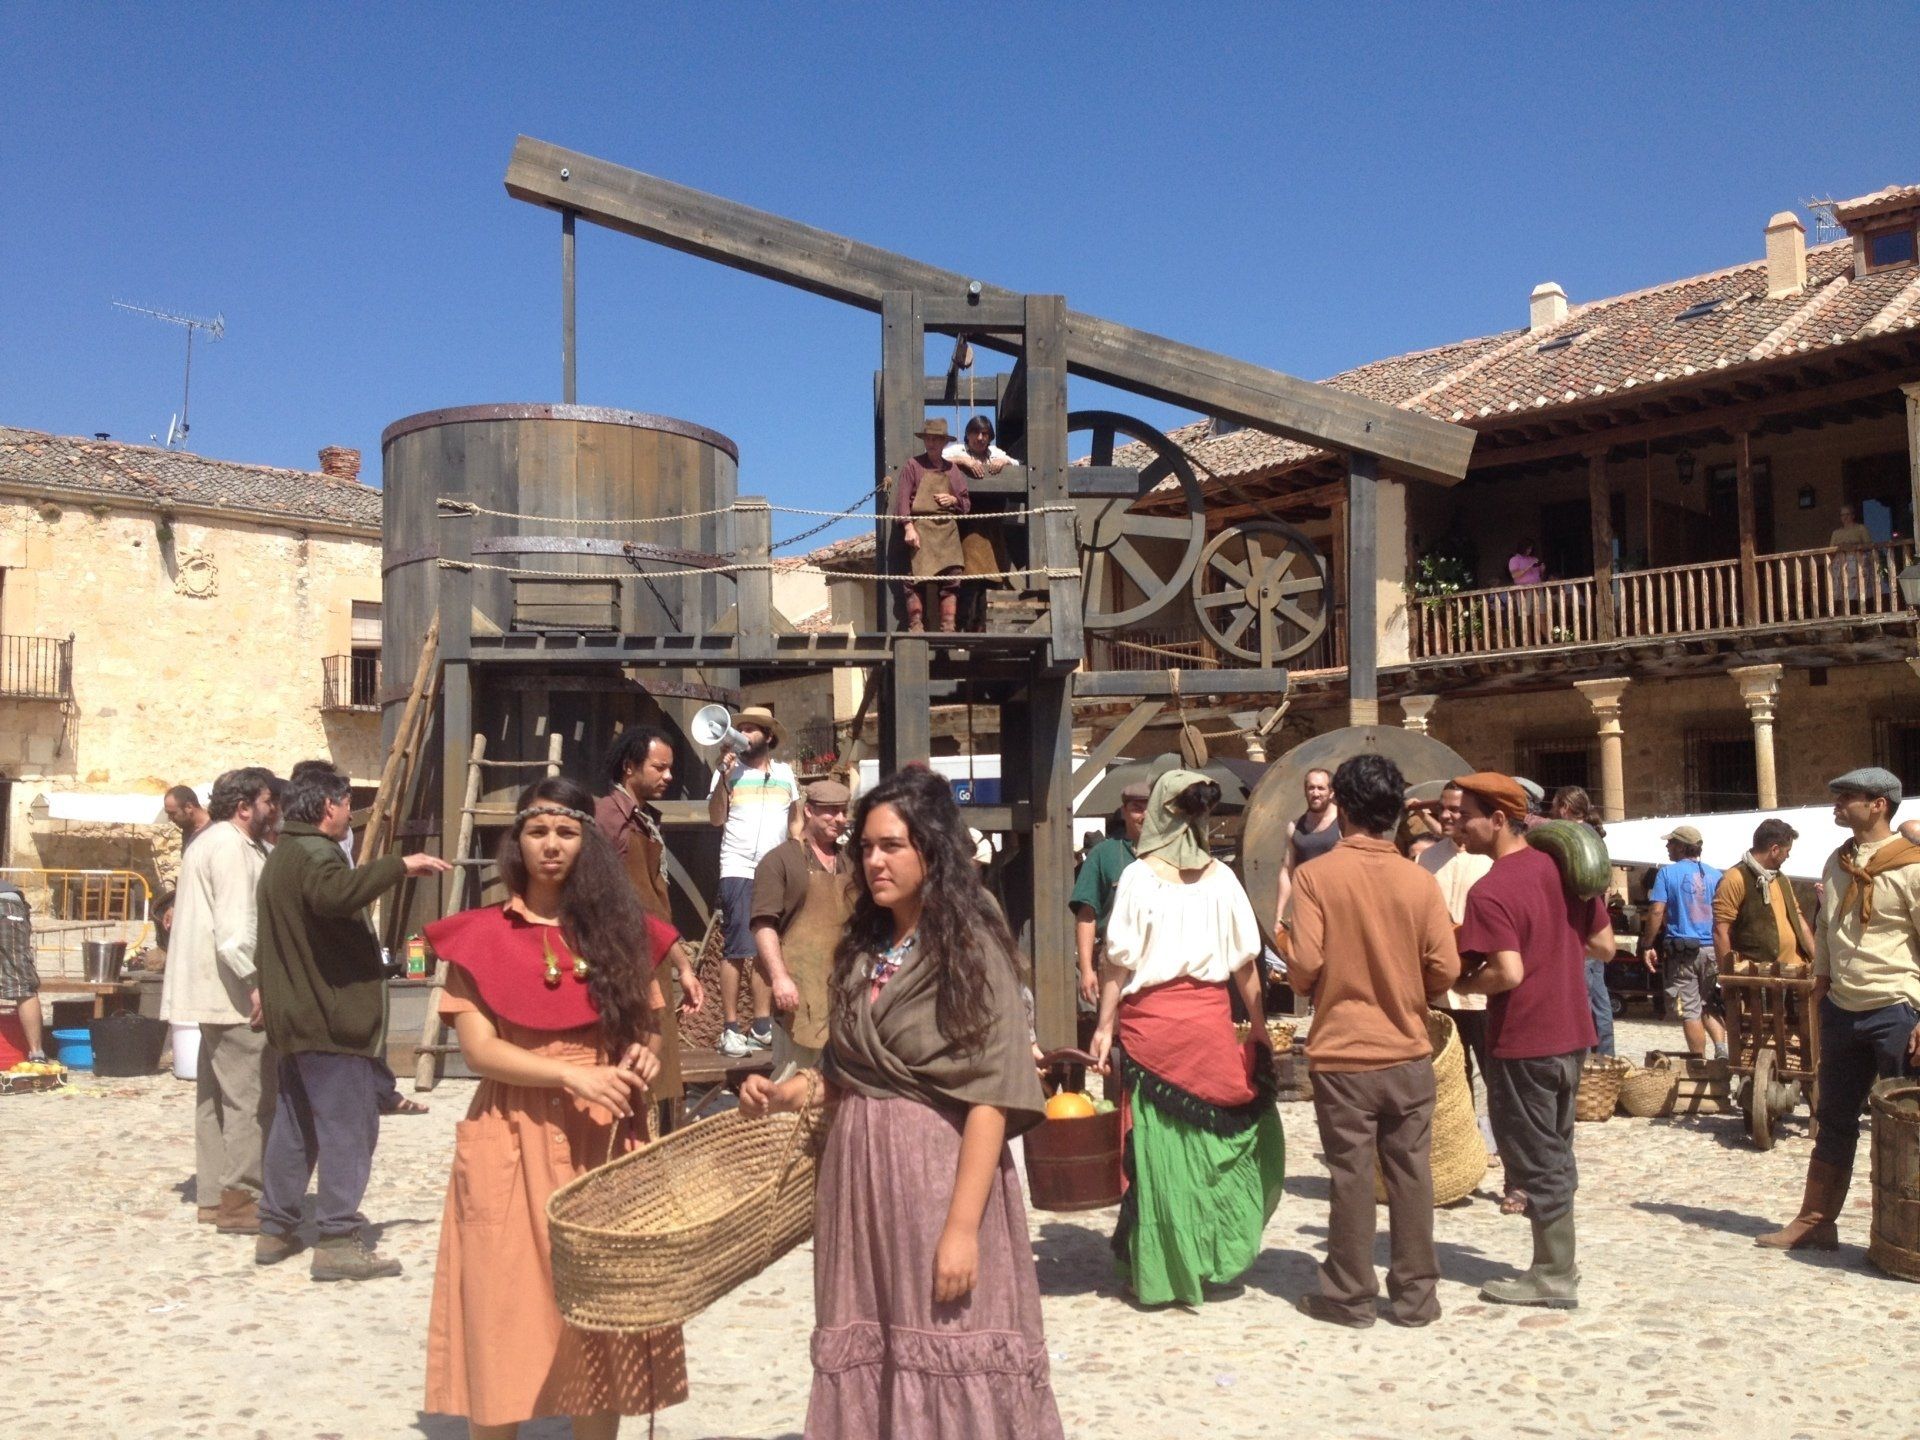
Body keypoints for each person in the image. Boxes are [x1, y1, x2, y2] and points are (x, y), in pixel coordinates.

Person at [737, 766, 1063, 1438]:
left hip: (938, 1178)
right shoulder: (867, 944)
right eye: (866, 846)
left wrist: (962, 1230)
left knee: (947, 1342)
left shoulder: (971, 941)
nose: (874, 860)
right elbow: (848, 1068)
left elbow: (992, 1094)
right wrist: (781, 1093)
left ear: (932, 850)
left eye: (893, 846)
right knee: (875, 1349)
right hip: (860, 1188)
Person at [423, 777, 686, 1434]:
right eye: (537, 832)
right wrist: (570, 1079)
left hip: (604, 1139)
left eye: (566, 832)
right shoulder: (479, 936)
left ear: (586, 843)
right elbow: (479, 1052)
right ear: (518, 842)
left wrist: (644, 1054)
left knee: (601, 1316)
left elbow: (648, 1026)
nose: (551, 845)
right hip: (510, 1130)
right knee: (502, 1308)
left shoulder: (622, 933)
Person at [1089, 769, 1285, 1306]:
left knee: (1157, 1154)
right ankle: (1209, 1258)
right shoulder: (1223, 879)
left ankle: (1163, 1267)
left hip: (1152, 1025)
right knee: (1210, 1147)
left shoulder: (1135, 878)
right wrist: (1261, 1028)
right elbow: (1247, 965)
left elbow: (1116, 964)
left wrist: (1104, 1026)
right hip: (1208, 1025)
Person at [253, 762, 451, 1279]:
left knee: (296, 1125)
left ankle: (276, 1227)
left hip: (298, 1018)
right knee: (348, 1130)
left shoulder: (283, 854)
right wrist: (398, 866)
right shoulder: (315, 854)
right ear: (327, 808)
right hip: (328, 1021)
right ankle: (337, 1240)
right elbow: (334, 895)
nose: (350, 816)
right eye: (346, 806)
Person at [1287, 755, 1461, 1328]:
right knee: (1412, 1176)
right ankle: (1416, 1298)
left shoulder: (1316, 877)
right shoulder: (1420, 881)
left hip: (1341, 1053)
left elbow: (1306, 964)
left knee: (1351, 1177)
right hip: (1408, 1050)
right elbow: (1446, 969)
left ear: (1342, 807)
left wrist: (1300, 971)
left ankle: (1349, 1295)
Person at [1451, 772, 1612, 1309]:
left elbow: (1509, 973)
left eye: (1466, 815)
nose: (1457, 825)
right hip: (1574, 1035)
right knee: (1556, 1147)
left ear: (1498, 819)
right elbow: (1605, 946)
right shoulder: (1564, 869)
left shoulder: (1492, 888)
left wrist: (1465, 984)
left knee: (1537, 1154)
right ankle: (1559, 1261)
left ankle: (1552, 1272)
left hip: (1524, 1038)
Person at [1758, 769, 1920, 1252]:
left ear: (1877, 805)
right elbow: (1828, 923)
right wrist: (1822, 981)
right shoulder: (1839, 860)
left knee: (1909, 1122)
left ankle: (1906, 1234)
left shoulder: (1912, 866)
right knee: (1834, 1118)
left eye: (1846, 798)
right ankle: (1816, 1220)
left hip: (1897, 1008)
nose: (1835, 805)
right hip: (1843, 1010)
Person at [158, 766, 279, 1233]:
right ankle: (242, 1200)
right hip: (231, 996)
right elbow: (233, 934)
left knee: (212, 1100)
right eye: (267, 800)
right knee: (250, 1099)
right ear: (245, 806)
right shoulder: (229, 846)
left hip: (208, 994)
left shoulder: (210, 842)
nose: (272, 809)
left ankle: (212, 1196)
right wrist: (256, 985)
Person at [594, 723, 708, 1114]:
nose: (669, 776)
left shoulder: (642, 819)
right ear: (630, 767)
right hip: (621, 962)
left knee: (657, 1066)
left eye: (670, 768)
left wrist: (683, 967)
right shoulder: (607, 819)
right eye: (659, 768)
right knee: (626, 1065)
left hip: (652, 956)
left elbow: (653, 905)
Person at [708, 705, 802, 1058]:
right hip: (738, 867)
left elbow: (795, 821)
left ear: (769, 737)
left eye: (751, 729)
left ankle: (761, 1026)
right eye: (741, 728)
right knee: (736, 949)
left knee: (767, 948)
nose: (744, 733)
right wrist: (722, 778)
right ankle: (730, 1028)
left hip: (774, 870)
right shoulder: (729, 773)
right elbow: (717, 818)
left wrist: (798, 854)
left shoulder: (785, 774)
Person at [750, 778, 853, 1078]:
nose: (841, 819)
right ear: (809, 811)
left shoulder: (850, 862)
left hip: (844, 990)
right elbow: (763, 925)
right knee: (792, 1080)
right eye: (831, 811)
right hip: (800, 993)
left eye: (844, 811)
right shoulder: (780, 861)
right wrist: (780, 978)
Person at [1420, 783, 1497, 1148]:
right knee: (1453, 1068)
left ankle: (1499, 1145)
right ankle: (1464, 1144)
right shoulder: (1428, 859)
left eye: (1456, 809)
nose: (1448, 815)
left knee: (1493, 1070)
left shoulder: (1492, 860)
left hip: (1484, 987)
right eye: (1444, 809)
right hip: (1442, 989)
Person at [1640, 825, 1725, 1059]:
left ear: (1680, 846)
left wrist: (1647, 944)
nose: (1667, 847)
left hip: (1683, 953)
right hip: (1712, 950)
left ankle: (1700, 1063)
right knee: (1710, 1004)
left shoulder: (1667, 874)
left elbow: (1657, 911)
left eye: (1671, 843)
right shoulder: (1716, 875)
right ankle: (1722, 1051)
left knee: (1690, 1009)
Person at [1070, 781, 1151, 1009]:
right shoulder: (1102, 854)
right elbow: (1086, 914)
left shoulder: (1170, 853)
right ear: (1124, 811)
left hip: (1158, 959)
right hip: (1115, 960)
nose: (1144, 815)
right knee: (1113, 1033)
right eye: (1137, 808)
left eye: (1150, 808)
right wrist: (1086, 969)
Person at [893, 418, 972, 633]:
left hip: (947, 529)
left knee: (954, 575)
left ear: (944, 442)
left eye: (936, 439)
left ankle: (948, 625)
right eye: (928, 438)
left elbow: (966, 504)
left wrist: (953, 500)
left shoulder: (952, 470)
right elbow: (902, 501)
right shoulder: (913, 466)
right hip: (921, 528)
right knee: (913, 578)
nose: (932, 442)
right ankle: (916, 624)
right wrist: (908, 527)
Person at [1713, 818, 1816, 973]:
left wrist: (1816, 960)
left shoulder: (1781, 878)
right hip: (1757, 977)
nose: (1788, 856)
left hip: (1795, 972)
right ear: (1774, 849)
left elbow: (1798, 919)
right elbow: (1720, 932)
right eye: (1787, 851)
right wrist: (1727, 979)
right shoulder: (1734, 877)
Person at [944, 415, 1012, 632]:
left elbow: (1018, 464)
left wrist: (1006, 462)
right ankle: (962, 624)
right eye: (976, 433)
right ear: (968, 435)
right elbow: (941, 458)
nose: (981, 438)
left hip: (992, 524)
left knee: (987, 580)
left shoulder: (996, 453)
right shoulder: (958, 451)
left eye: (985, 434)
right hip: (969, 524)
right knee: (969, 578)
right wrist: (964, 461)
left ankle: (978, 625)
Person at [1273, 767, 1340, 930]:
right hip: (1308, 909)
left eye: (1321, 788)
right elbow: (1287, 870)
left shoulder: (1345, 823)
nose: (1315, 793)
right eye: (1311, 788)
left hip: (1339, 909)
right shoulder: (1294, 827)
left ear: (1331, 792)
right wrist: (1279, 915)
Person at [0, 877, 46, 1063]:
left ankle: (37, 1053)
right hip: (8, 906)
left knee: (22, 985)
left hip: (4, 903)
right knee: (21, 983)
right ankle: (37, 1054)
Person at [1828, 502, 1874, 609]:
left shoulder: (1861, 529)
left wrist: (1854, 546)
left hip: (1858, 562)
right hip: (1841, 565)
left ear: (1853, 515)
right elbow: (1830, 550)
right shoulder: (1836, 533)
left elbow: (1869, 545)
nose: (1845, 517)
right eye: (1843, 515)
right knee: (1844, 591)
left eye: (1848, 514)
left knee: (1861, 590)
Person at [164, 784, 212, 853]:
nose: (170, 819)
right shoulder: (188, 830)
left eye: (173, 813)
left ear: (189, 807)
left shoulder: (217, 829)